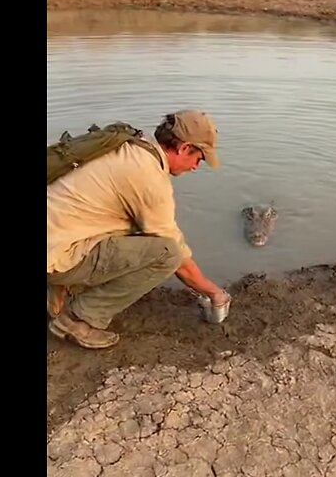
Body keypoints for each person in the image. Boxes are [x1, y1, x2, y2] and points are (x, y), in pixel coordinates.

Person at [46, 109, 231, 349]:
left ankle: (58, 290)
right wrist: (214, 292)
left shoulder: (129, 145)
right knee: (167, 253)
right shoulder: (149, 176)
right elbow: (177, 256)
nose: (196, 167)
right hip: (56, 251)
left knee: (131, 227)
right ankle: (77, 320)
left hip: (54, 236)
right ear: (184, 148)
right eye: (199, 158)